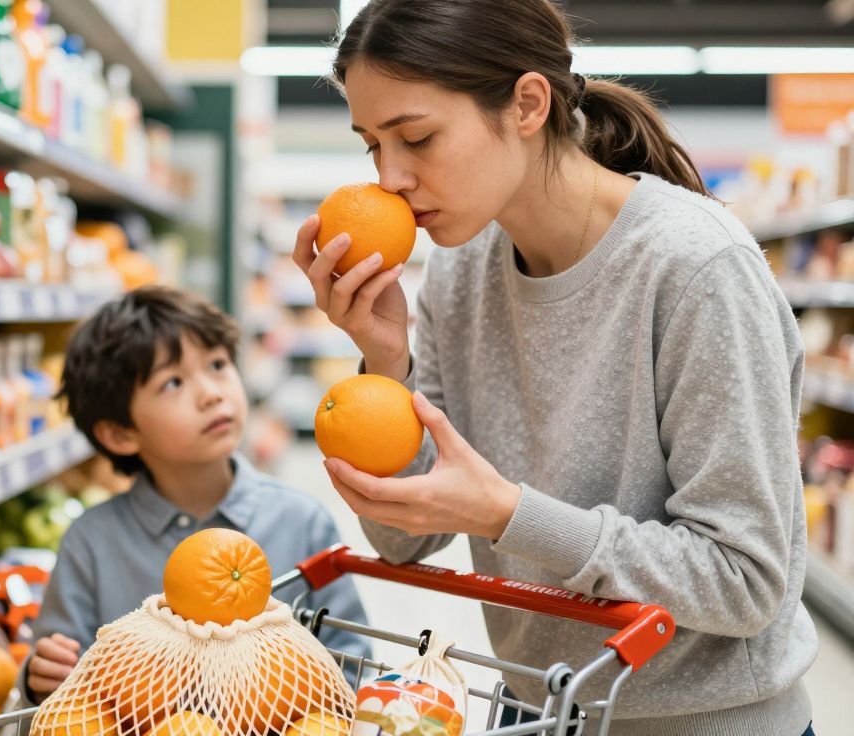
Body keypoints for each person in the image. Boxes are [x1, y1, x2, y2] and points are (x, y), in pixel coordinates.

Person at [293, 1, 817, 734]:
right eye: (371, 146)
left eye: (416, 137)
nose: (391, 178)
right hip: (537, 710)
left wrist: (508, 515)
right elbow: (404, 539)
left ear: (528, 104)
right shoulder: (458, 272)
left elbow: (747, 580)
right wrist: (385, 361)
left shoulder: (697, 270)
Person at [20, 286, 370, 703]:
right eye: (173, 383)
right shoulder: (91, 543)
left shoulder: (301, 521)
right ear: (119, 433)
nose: (211, 393)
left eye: (218, 364)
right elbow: (59, 680)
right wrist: (38, 678)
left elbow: (353, 661)